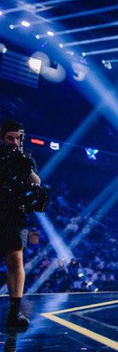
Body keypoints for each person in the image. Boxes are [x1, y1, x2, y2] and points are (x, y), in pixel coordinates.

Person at [0, 120, 41, 329]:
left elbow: (36, 183)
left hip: (14, 215)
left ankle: (14, 312)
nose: (14, 142)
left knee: (16, 261)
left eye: (18, 138)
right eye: (10, 138)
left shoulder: (25, 158)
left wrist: (27, 169)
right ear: (2, 137)